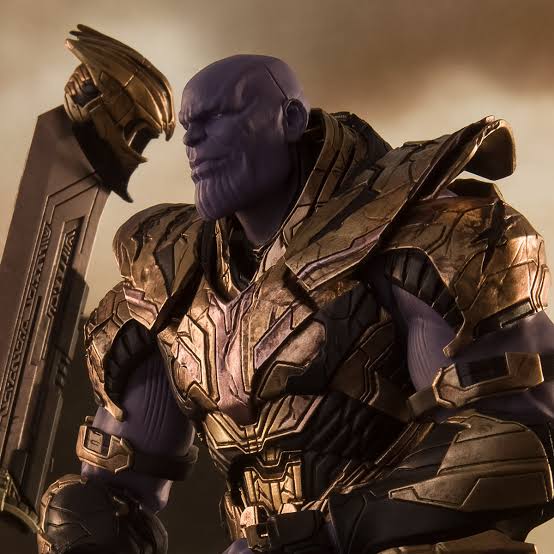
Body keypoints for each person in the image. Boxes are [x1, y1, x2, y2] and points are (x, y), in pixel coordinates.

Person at [38, 39, 554, 554]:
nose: (193, 139)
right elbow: (120, 481)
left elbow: (521, 441)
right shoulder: (169, 278)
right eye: (189, 126)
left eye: (217, 116)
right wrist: (81, 520)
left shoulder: (429, 235)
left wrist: (331, 531)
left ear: (289, 119)